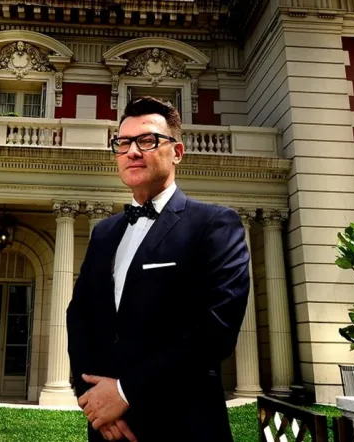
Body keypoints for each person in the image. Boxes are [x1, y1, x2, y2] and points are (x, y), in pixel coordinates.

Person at [66, 96, 251, 442]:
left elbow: (216, 330)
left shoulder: (215, 224)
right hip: (108, 431)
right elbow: (79, 317)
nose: (132, 152)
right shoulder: (104, 232)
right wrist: (91, 397)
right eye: (123, 143)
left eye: (147, 140)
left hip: (185, 427)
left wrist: (124, 392)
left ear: (177, 152)